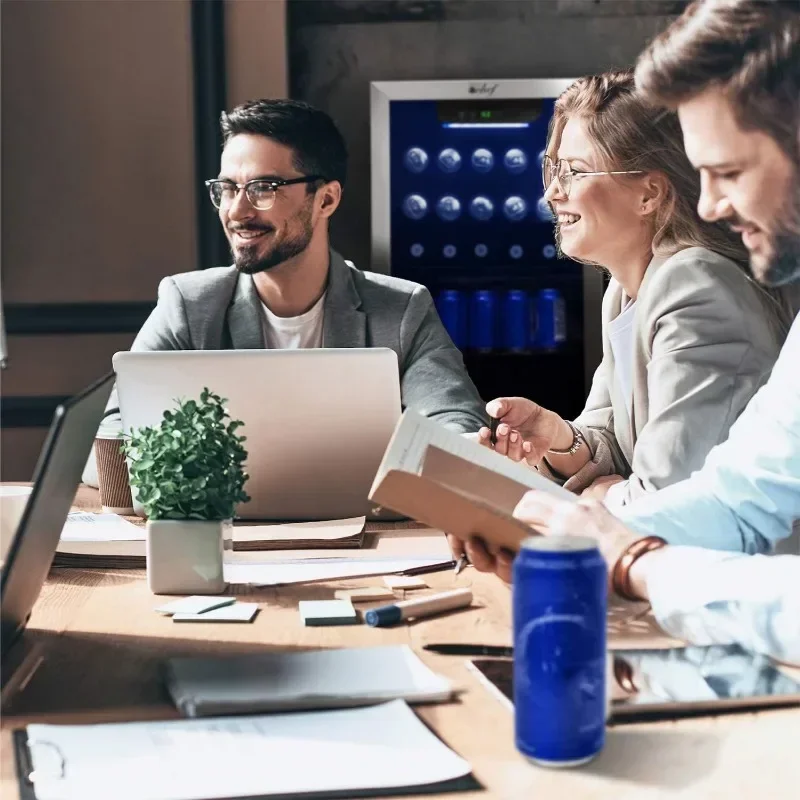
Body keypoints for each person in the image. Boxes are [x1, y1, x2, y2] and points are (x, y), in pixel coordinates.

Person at [450, 0, 800, 663]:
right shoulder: (626, 293)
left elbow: (687, 498)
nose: (710, 205)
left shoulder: (695, 284)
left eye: (729, 172)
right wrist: (556, 530)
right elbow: (738, 496)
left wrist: (626, 547)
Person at [84, 100, 486, 485]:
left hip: (365, 538)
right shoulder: (188, 305)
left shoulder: (400, 310)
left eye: (263, 188)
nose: (236, 211)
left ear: (326, 199)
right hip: (230, 541)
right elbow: (109, 444)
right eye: (227, 188)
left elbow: (458, 427)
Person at [478, 70, 792, 511]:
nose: (552, 193)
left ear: (650, 193)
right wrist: (556, 437)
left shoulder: (695, 287)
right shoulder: (626, 291)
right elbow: (612, 440)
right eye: (554, 169)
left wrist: (607, 496)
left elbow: (670, 496)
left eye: (575, 172)